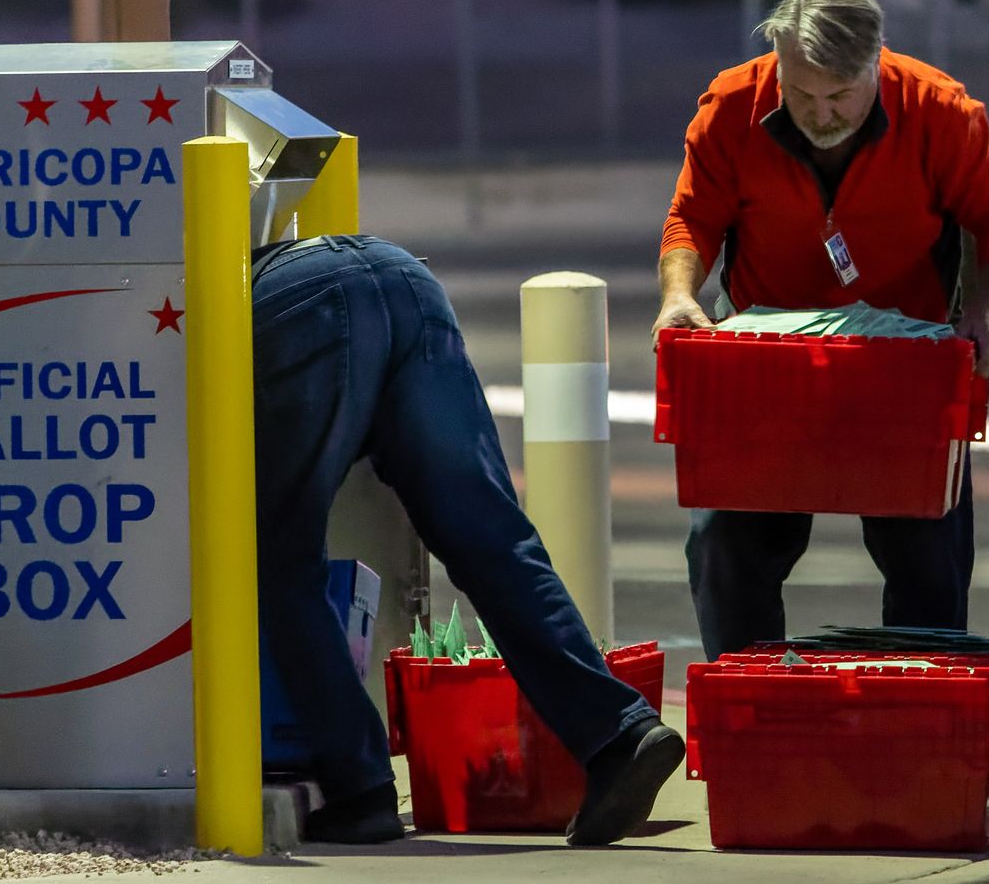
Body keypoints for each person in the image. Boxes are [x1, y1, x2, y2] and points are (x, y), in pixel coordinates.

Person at [253, 234, 684, 845]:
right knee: (491, 536)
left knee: (279, 563)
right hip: (403, 275)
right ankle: (619, 733)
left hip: (288, 300)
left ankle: (359, 785)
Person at [654, 0, 989, 662]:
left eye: (839, 97)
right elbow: (692, 218)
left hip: (903, 370)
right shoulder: (733, 103)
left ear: (875, 66)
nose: (820, 114)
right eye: (801, 95)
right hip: (766, 363)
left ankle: (919, 717)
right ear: (779, 64)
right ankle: (749, 705)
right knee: (727, 548)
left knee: (929, 561)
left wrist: (986, 311)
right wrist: (679, 293)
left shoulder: (940, 110)